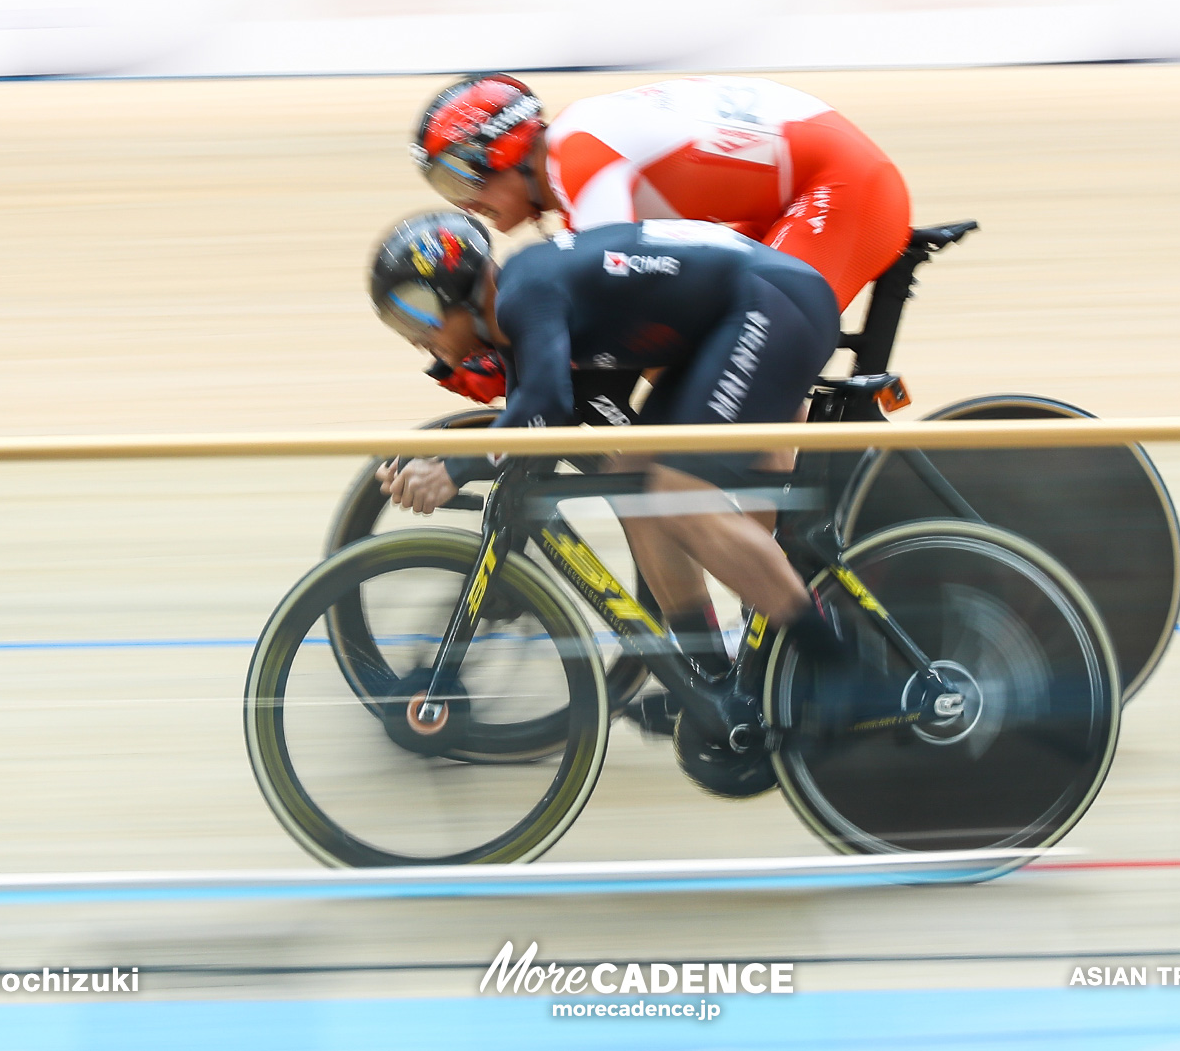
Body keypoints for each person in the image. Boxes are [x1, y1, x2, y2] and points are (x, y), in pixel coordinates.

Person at [367, 211, 851, 743]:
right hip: (745, 309)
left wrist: (453, 468)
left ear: (456, 290)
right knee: (633, 480)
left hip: (773, 302)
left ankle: (841, 671)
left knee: (676, 492)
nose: (417, 339)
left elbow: (544, 407)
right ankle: (714, 678)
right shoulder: (519, 305)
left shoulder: (523, 294)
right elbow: (557, 409)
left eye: (417, 312)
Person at [409, 73, 913, 403]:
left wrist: (505, 355)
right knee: (690, 355)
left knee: (745, 369)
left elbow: (605, 309)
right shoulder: (575, 162)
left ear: (502, 149)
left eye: (461, 181)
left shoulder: (579, 156)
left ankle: (801, 530)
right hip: (790, 193)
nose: (465, 205)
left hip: (840, 187)